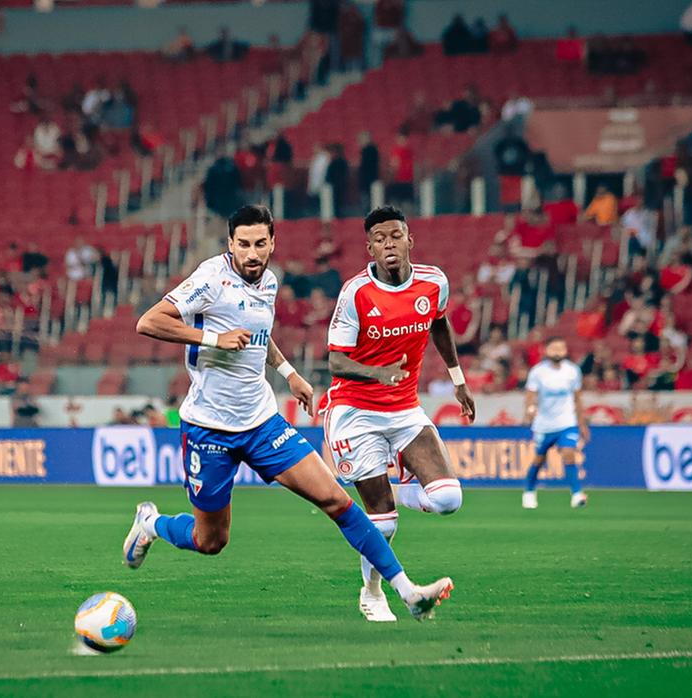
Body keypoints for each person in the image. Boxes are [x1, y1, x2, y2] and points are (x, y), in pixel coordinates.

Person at [125, 204, 454, 622]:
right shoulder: (210, 279)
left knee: (337, 500)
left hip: (262, 423)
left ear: (272, 243)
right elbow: (149, 322)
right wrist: (213, 337)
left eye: (260, 244)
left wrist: (288, 372)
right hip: (209, 429)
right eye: (243, 244)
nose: (252, 253)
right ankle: (151, 524)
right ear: (230, 244)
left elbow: (260, 336)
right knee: (210, 540)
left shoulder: (270, 282)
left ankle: (408, 593)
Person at [322, 205, 477, 622]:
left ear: (410, 240)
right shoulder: (356, 293)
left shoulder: (433, 282)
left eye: (395, 236)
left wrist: (458, 378)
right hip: (354, 412)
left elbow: (438, 322)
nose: (388, 245)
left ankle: (401, 486)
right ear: (369, 248)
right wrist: (377, 373)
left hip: (405, 409)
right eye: (379, 239)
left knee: (447, 499)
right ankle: (372, 591)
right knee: (383, 525)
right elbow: (335, 362)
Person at [521, 337, 589, 510]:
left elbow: (577, 399)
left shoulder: (573, 371)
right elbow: (530, 396)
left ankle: (576, 494)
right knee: (539, 458)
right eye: (554, 348)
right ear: (546, 350)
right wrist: (530, 410)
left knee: (569, 453)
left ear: (566, 351)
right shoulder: (538, 372)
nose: (557, 351)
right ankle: (529, 492)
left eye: (561, 348)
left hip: (567, 422)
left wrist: (582, 424)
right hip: (544, 424)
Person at [357, 131, 380, 206]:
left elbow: (365, 165)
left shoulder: (369, 150)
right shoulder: (373, 149)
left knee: (368, 200)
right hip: (370, 178)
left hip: (368, 179)